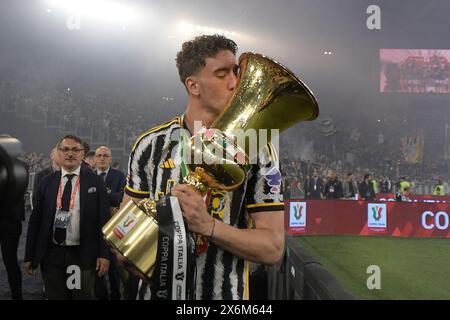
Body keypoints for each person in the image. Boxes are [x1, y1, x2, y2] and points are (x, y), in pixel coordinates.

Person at [121, 34, 285, 300]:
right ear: (193, 86)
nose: (236, 83)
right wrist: (135, 255)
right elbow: (123, 235)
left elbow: (273, 248)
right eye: (222, 74)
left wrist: (208, 226)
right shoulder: (150, 145)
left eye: (236, 72)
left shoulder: (258, 149)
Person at [24, 135, 111, 300]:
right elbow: (35, 221)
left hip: (81, 255)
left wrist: (104, 254)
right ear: (58, 153)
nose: (70, 153)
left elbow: (104, 220)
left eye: (75, 150)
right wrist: (29, 255)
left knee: (80, 296)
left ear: (82, 154)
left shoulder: (95, 182)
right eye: (65, 149)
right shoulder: (46, 182)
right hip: (52, 255)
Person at [93, 146, 127, 300]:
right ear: (94, 159)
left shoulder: (120, 176)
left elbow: (121, 198)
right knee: (95, 267)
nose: (101, 158)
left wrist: (104, 191)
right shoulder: (88, 175)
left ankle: (116, 295)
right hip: (93, 228)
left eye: (105, 155)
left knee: (114, 268)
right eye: (99, 155)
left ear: (110, 159)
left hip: (114, 228)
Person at [0, 159, 27, 300]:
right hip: (12, 221)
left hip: (10, 221)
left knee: (10, 260)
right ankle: (17, 295)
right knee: (11, 261)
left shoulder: (20, 165)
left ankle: (17, 295)